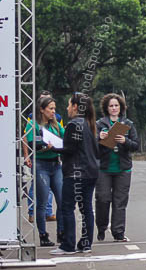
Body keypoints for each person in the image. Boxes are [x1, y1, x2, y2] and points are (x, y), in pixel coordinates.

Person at [51, 92, 99, 256]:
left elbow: (69, 149)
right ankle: (86, 243)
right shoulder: (90, 124)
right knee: (86, 208)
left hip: (75, 172)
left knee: (67, 208)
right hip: (91, 172)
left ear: (76, 107)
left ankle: (68, 244)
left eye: (69, 104)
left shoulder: (73, 125)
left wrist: (53, 147)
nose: (67, 107)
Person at [96, 93, 139, 243]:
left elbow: (135, 145)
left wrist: (124, 141)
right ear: (106, 108)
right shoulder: (99, 124)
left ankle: (118, 232)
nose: (114, 108)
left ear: (121, 107)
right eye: (111, 106)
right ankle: (101, 227)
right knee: (102, 198)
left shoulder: (128, 123)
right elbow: (92, 147)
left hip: (123, 168)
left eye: (116, 105)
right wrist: (99, 138)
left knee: (120, 201)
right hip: (104, 168)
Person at [23, 95, 65, 247]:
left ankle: (61, 233)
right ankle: (43, 235)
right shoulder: (33, 124)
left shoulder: (55, 124)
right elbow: (29, 141)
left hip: (56, 164)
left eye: (54, 108)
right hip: (41, 165)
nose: (53, 112)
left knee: (62, 199)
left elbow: (64, 136)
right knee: (41, 202)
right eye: (50, 109)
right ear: (42, 110)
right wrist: (40, 148)